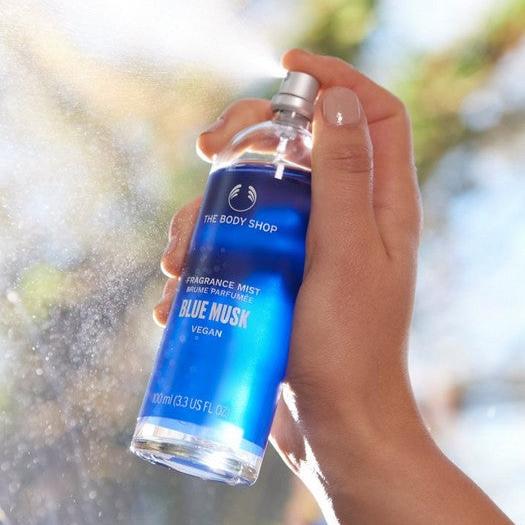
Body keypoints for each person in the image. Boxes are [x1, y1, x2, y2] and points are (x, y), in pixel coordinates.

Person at [153, 49, 512, 525]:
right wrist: (348, 438)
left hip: (240, 445)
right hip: (180, 429)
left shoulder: (270, 153)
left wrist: (355, 426)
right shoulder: (247, 146)